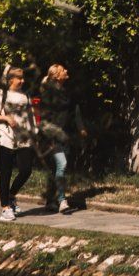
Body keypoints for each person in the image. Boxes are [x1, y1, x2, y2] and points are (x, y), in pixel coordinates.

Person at [0, 66, 37, 220]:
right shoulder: (1, 95)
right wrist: (6, 118)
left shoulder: (25, 96)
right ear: (10, 80)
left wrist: (34, 133)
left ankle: (11, 195)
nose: (22, 80)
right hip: (5, 137)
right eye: (19, 78)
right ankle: (5, 208)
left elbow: (30, 117)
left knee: (26, 169)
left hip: (23, 138)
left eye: (23, 78)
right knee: (6, 172)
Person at [36, 63, 84, 215]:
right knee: (61, 165)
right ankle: (62, 201)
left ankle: (51, 201)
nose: (67, 70)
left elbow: (74, 111)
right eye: (63, 70)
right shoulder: (48, 93)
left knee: (56, 169)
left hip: (64, 135)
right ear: (56, 76)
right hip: (51, 136)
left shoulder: (66, 92)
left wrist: (80, 127)